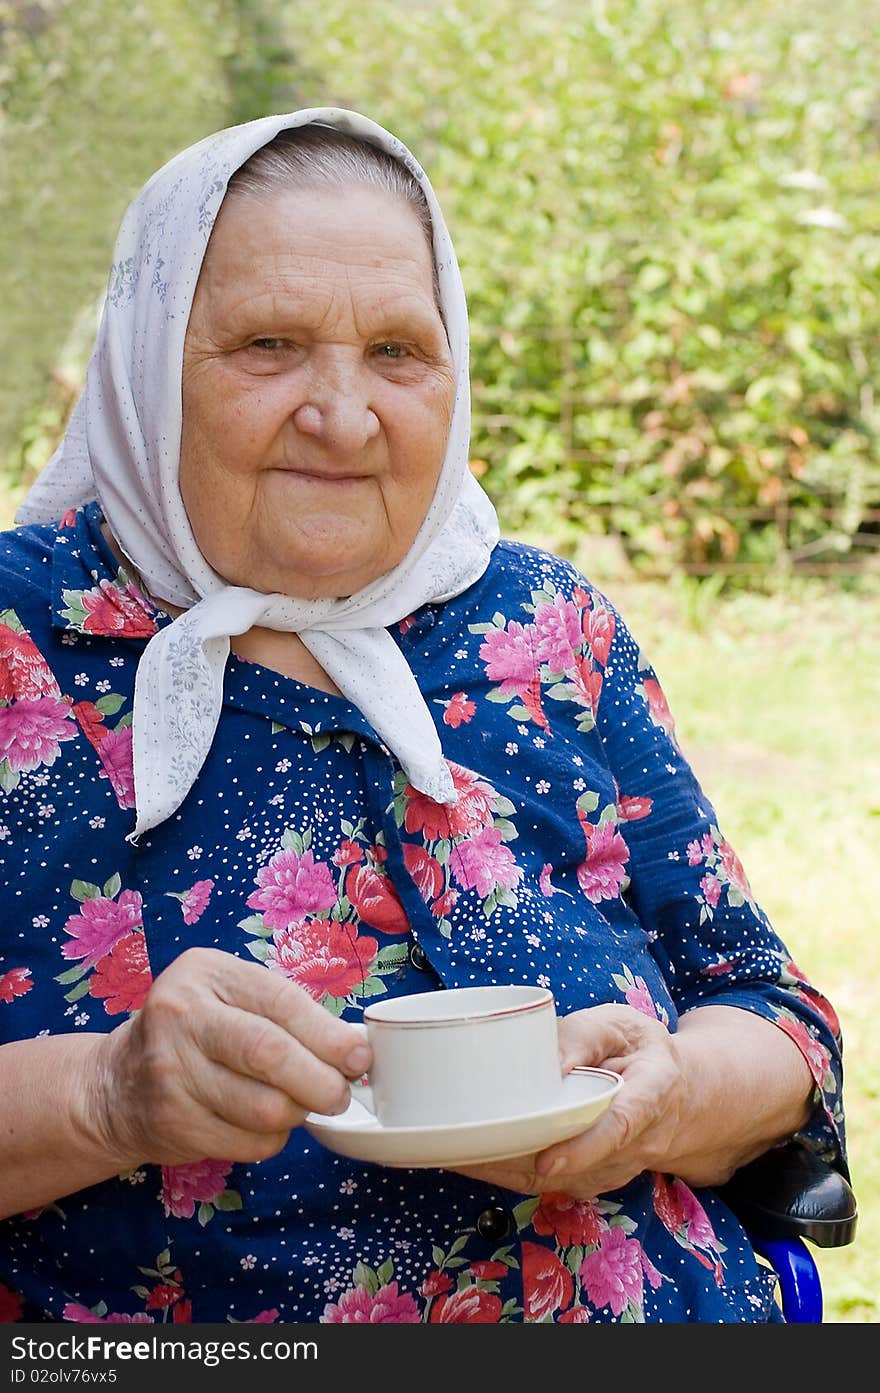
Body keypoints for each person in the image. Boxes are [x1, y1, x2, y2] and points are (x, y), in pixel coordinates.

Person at [0, 108, 845, 1325]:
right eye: (268, 344)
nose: (343, 415)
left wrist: (669, 1095)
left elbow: (771, 1012)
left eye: (398, 351)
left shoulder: (542, 623)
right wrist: (104, 1094)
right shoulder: (25, 637)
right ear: (139, 362)